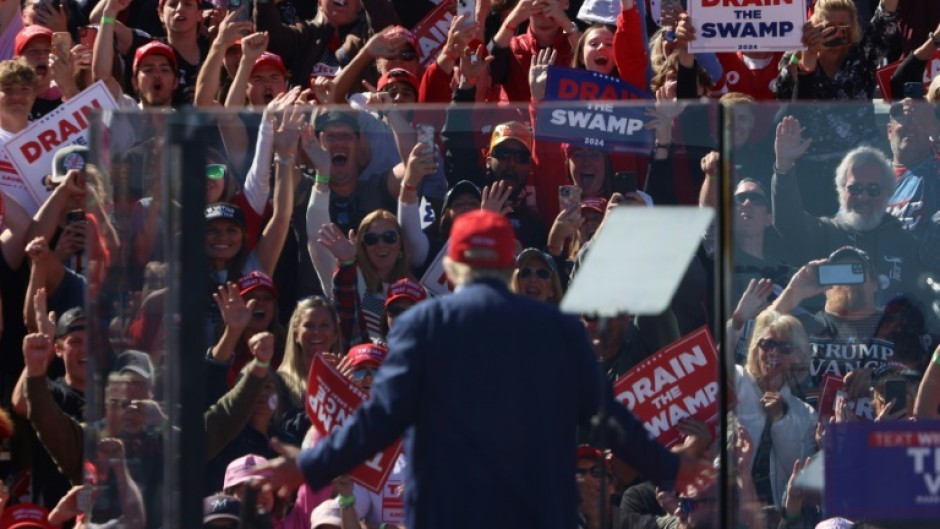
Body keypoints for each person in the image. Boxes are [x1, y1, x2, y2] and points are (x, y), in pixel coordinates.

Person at [261, 209, 714, 529]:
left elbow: (379, 422)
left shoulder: (420, 326)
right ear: (506, 267)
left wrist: (309, 466)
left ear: (453, 269)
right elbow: (609, 422)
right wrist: (672, 467)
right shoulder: (559, 330)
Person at [734, 310, 817, 508]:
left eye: (785, 347)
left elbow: (795, 472)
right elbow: (711, 364)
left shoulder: (806, 414)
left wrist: (781, 419)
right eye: (768, 344)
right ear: (756, 348)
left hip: (774, 517)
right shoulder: (735, 381)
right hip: (726, 511)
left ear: (797, 356)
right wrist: (736, 320)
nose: (774, 352)